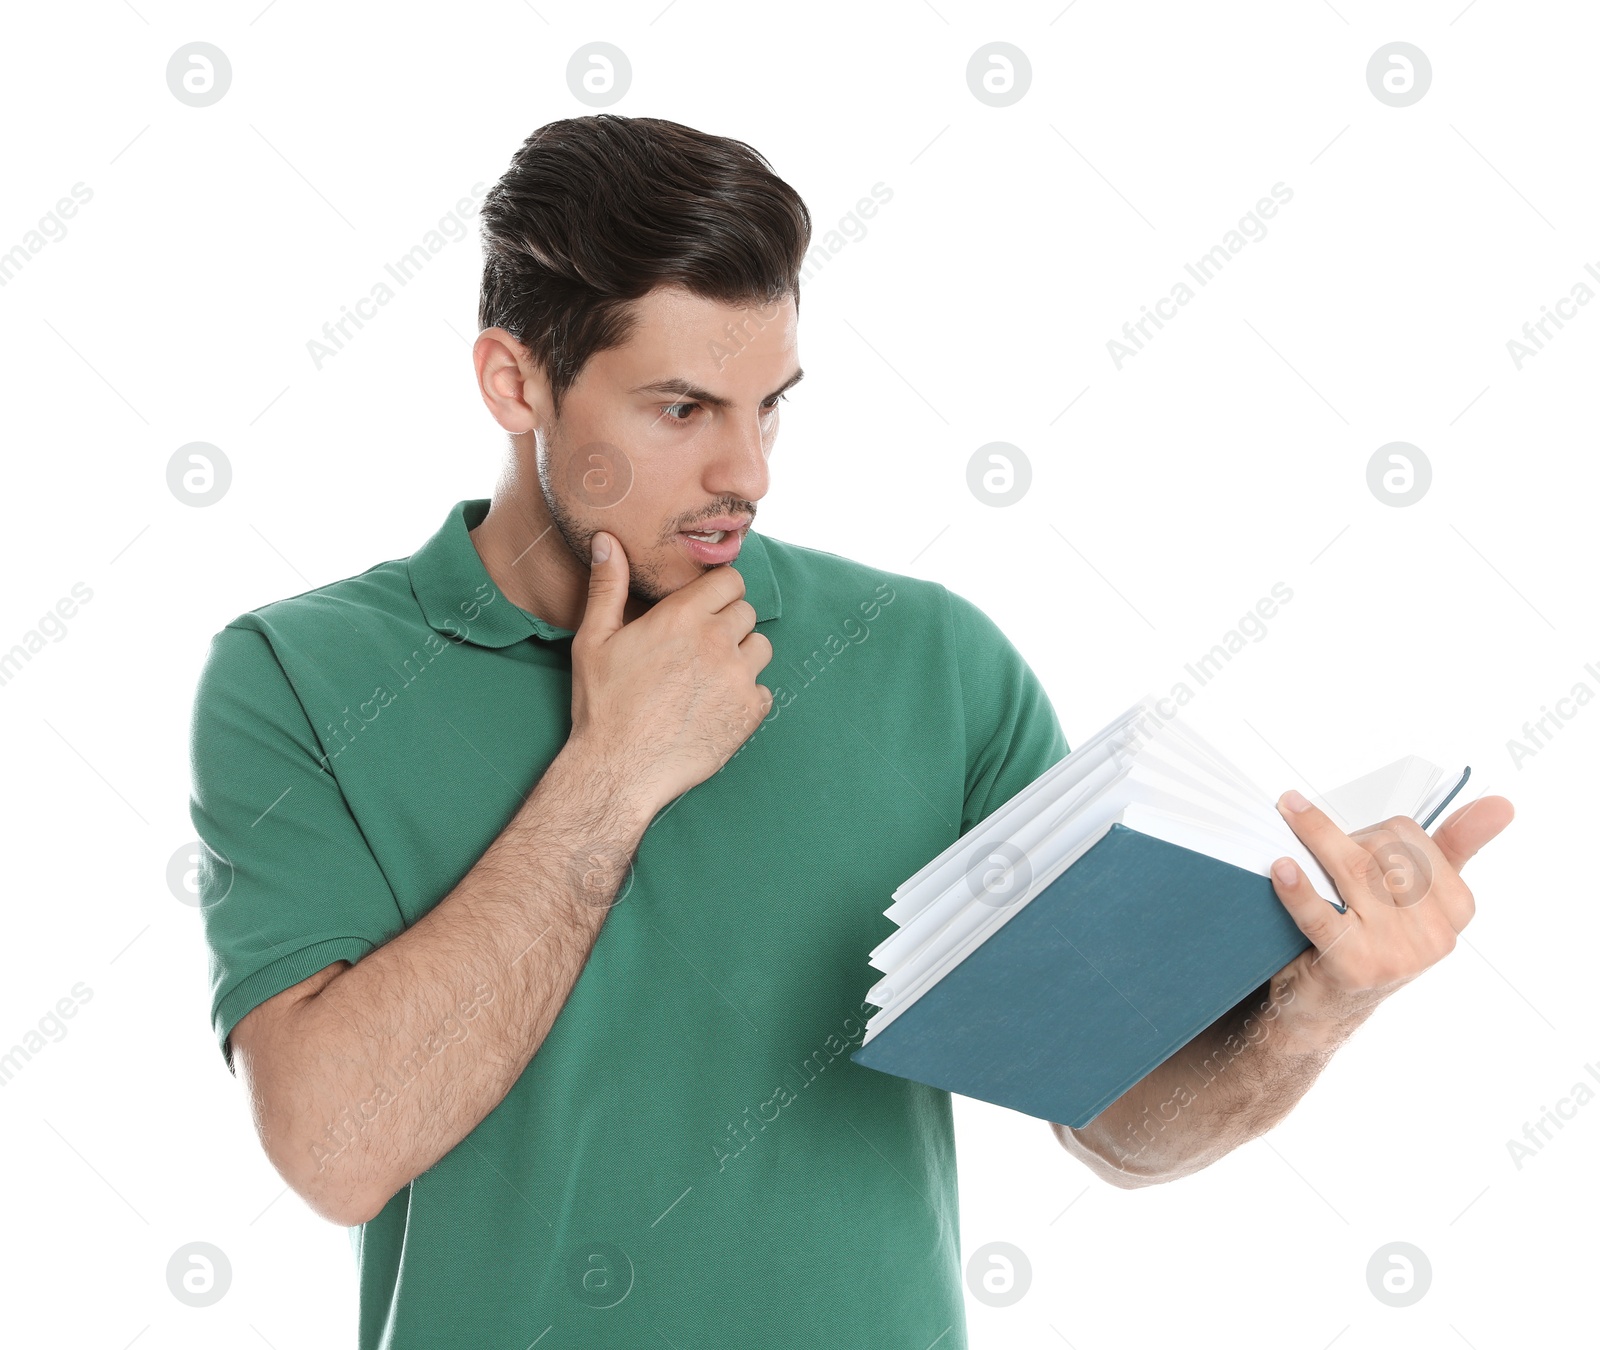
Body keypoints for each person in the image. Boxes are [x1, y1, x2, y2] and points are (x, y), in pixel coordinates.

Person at [187, 114, 1513, 1348]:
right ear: (513, 381)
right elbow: (336, 1150)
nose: (746, 471)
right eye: (681, 408)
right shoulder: (297, 676)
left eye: (771, 406)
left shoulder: (931, 663)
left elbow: (1111, 1119)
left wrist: (1306, 1014)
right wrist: (613, 772)